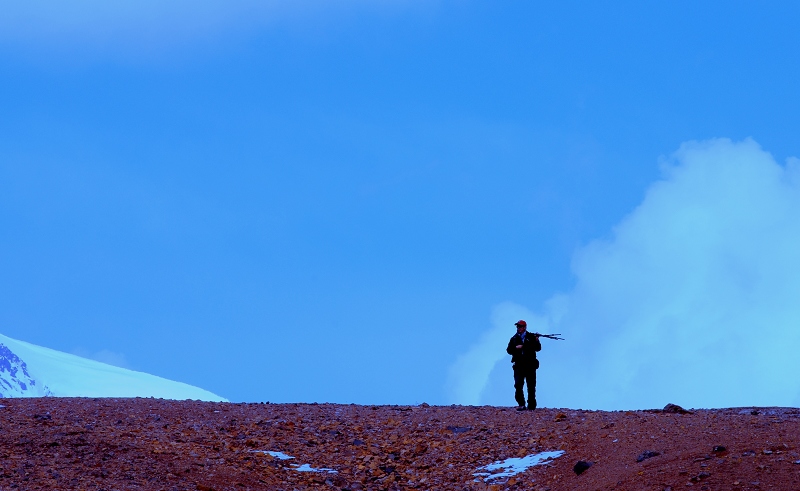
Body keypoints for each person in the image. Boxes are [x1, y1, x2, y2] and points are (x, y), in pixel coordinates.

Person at [506, 319, 541, 411]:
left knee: (531, 385)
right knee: (518, 385)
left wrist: (536, 341)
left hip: (530, 365)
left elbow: (538, 348)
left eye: (520, 326)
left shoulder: (531, 337)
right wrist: (516, 348)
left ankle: (531, 405)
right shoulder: (513, 339)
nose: (518, 328)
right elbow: (509, 350)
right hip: (519, 365)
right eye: (518, 326)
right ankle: (521, 404)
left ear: (524, 327)